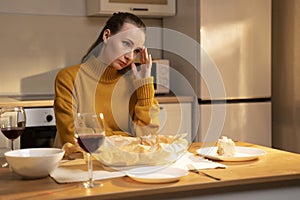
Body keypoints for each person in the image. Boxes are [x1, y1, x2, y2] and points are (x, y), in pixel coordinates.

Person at [53, 12, 160, 148]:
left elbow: (148, 141)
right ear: (107, 36)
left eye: (136, 51)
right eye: (126, 44)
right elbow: (73, 140)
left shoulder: (134, 84)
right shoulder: (69, 78)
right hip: (76, 166)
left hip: (121, 167)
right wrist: (126, 138)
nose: (130, 56)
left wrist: (145, 88)